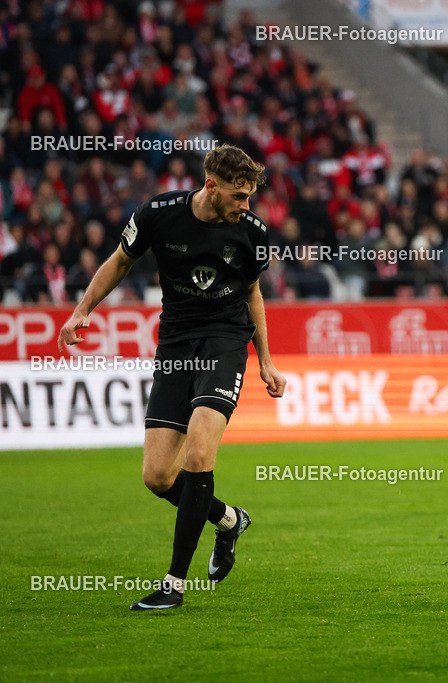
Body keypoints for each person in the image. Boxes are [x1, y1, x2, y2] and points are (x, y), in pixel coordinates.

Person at [57, 145, 287, 611]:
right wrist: (82, 310)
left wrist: (265, 360)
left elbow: (252, 293)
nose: (247, 205)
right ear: (211, 187)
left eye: (250, 197)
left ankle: (174, 584)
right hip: (177, 343)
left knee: (201, 453)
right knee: (158, 476)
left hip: (224, 342)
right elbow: (120, 261)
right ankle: (228, 521)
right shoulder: (158, 214)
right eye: (239, 196)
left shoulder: (252, 232)